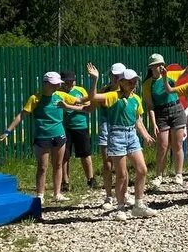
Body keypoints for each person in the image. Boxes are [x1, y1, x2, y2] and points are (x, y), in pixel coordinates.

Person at [85, 64, 158, 220]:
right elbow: (93, 98)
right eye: (130, 82)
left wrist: (145, 135)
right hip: (117, 135)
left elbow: (138, 119)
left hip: (132, 135)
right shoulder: (113, 96)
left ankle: (138, 204)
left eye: (135, 82)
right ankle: (120, 207)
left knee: (142, 169)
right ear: (122, 82)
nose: (133, 85)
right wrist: (95, 80)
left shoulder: (136, 99)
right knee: (122, 175)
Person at [0, 72, 87, 204]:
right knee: (42, 167)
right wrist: (8, 131)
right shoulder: (35, 98)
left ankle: (57, 193)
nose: (57, 86)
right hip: (42, 136)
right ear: (45, 84)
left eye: (58, 84)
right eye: (54, 84)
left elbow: (80, 101)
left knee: (58, 165)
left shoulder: (61, 95)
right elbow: (22, 115)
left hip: (59, 135)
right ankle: (40, 195)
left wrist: (94, 89)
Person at [142, 51, 188, 187]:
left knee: (177, 144)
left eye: (161, 64)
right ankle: (159, 175)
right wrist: (153, 123)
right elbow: (150, 106)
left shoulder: (170, 75)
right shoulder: (147, 84)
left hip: (176, 110)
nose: (159, 67)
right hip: (161, 113)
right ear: (151, 67)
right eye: (156, 65)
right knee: (162, 145)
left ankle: (179, 174)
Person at [96, 62, 126, 203]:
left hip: (122, 128)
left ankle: (123, 193)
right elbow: (92, 103)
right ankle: (108, 195)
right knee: (107, 164)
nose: (115, 78)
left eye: (118, 76)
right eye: (113, 75)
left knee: (122, 166)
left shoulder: (127, 91)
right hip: (106, 127)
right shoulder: (104, 90)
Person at [59, 69, 94, 191]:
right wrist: (77, 107)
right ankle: (65, 182)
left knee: (85, 154)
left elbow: (88, 106)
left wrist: (72, 107)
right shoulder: (58, 93)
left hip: (80, 125)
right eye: (66, 83)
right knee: (64, 156)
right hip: (64, 127)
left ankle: (90, 179)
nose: (69, 85)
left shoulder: (80, 91)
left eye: (71, 82)